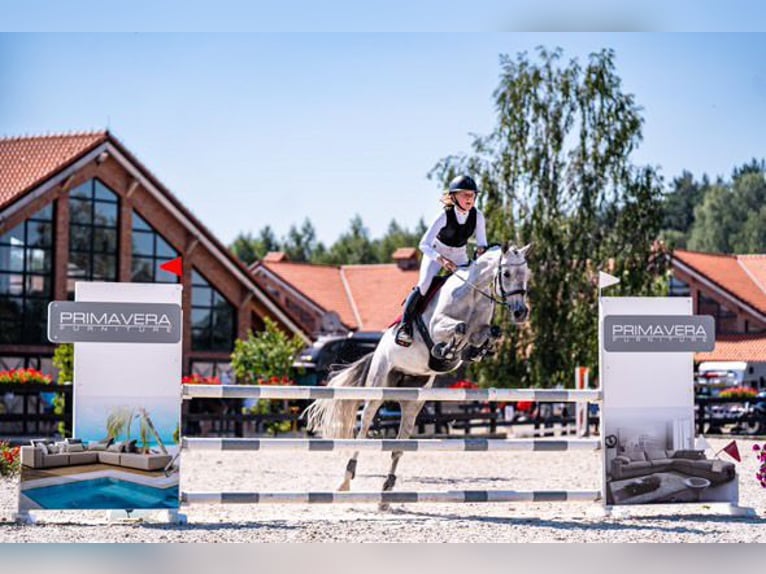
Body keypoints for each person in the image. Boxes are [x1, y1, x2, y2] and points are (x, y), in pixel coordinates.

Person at [394, 174, 488, 347]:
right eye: (465, 195)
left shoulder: (478, 216)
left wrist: (482, 256)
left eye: (472, 195)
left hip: (459, 254)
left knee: (474, 286)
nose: (470, 198)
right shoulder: (444, 216)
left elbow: (482, 244)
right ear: (453, 197)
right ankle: (405, 327)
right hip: (436, 252)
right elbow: (423, 244)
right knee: (424, 285)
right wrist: (442, 260)